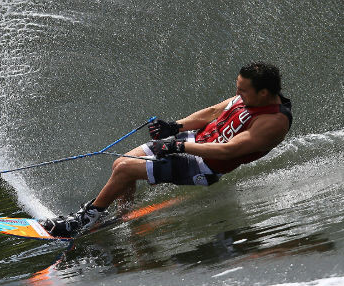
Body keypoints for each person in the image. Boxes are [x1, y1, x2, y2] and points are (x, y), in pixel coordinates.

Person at [41, 62, 293, 237]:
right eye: (237, 88)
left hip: (206, 165)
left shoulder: (273, 122)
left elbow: (228, 151)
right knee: (120, 163)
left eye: (242, 90)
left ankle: (83, 221)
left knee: (126, 170)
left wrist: (177, 144)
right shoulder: (249, 96)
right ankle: (123, 216)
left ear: (263, 92)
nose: (237, 94)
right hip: (194, 140)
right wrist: (173, 127)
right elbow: (212, 113)